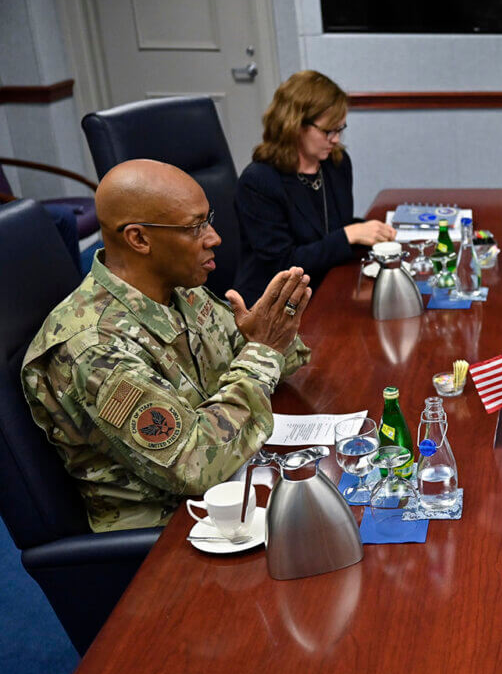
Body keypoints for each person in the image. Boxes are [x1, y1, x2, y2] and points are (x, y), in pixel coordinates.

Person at [22, 159, 312, 532]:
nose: (214, 238)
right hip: (168, 534)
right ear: (139, 239)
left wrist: (269, 340)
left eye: (209, 220)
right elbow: (195, 465)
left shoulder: (177, 290)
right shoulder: (93, 348)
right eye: (195, 227)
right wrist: (263, 352)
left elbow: (266, 358)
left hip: (228, 486)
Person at [234, 70, 394, 304]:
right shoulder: (258, 182)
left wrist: (368, 231)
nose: (336, 139)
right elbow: (282, 265)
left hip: (326, 285)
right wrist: (349, 236)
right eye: (329, 130)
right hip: (275, 304)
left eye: (340, 129)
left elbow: (329, 230)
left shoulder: (336, 163)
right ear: (295, 125)